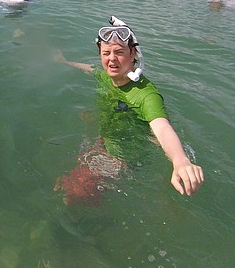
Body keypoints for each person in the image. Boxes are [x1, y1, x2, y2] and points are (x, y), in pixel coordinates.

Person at [56, 17, 204, 198]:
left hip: (123, 159)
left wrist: (180, 161)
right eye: (106, 53)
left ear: (133, 53)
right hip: (105, 143)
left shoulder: (146, 94)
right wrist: (64, 62)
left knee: (73, 196)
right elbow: (90, 69)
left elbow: (162, 126)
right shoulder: (108, 77)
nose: (111, 59)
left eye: (119, 52)